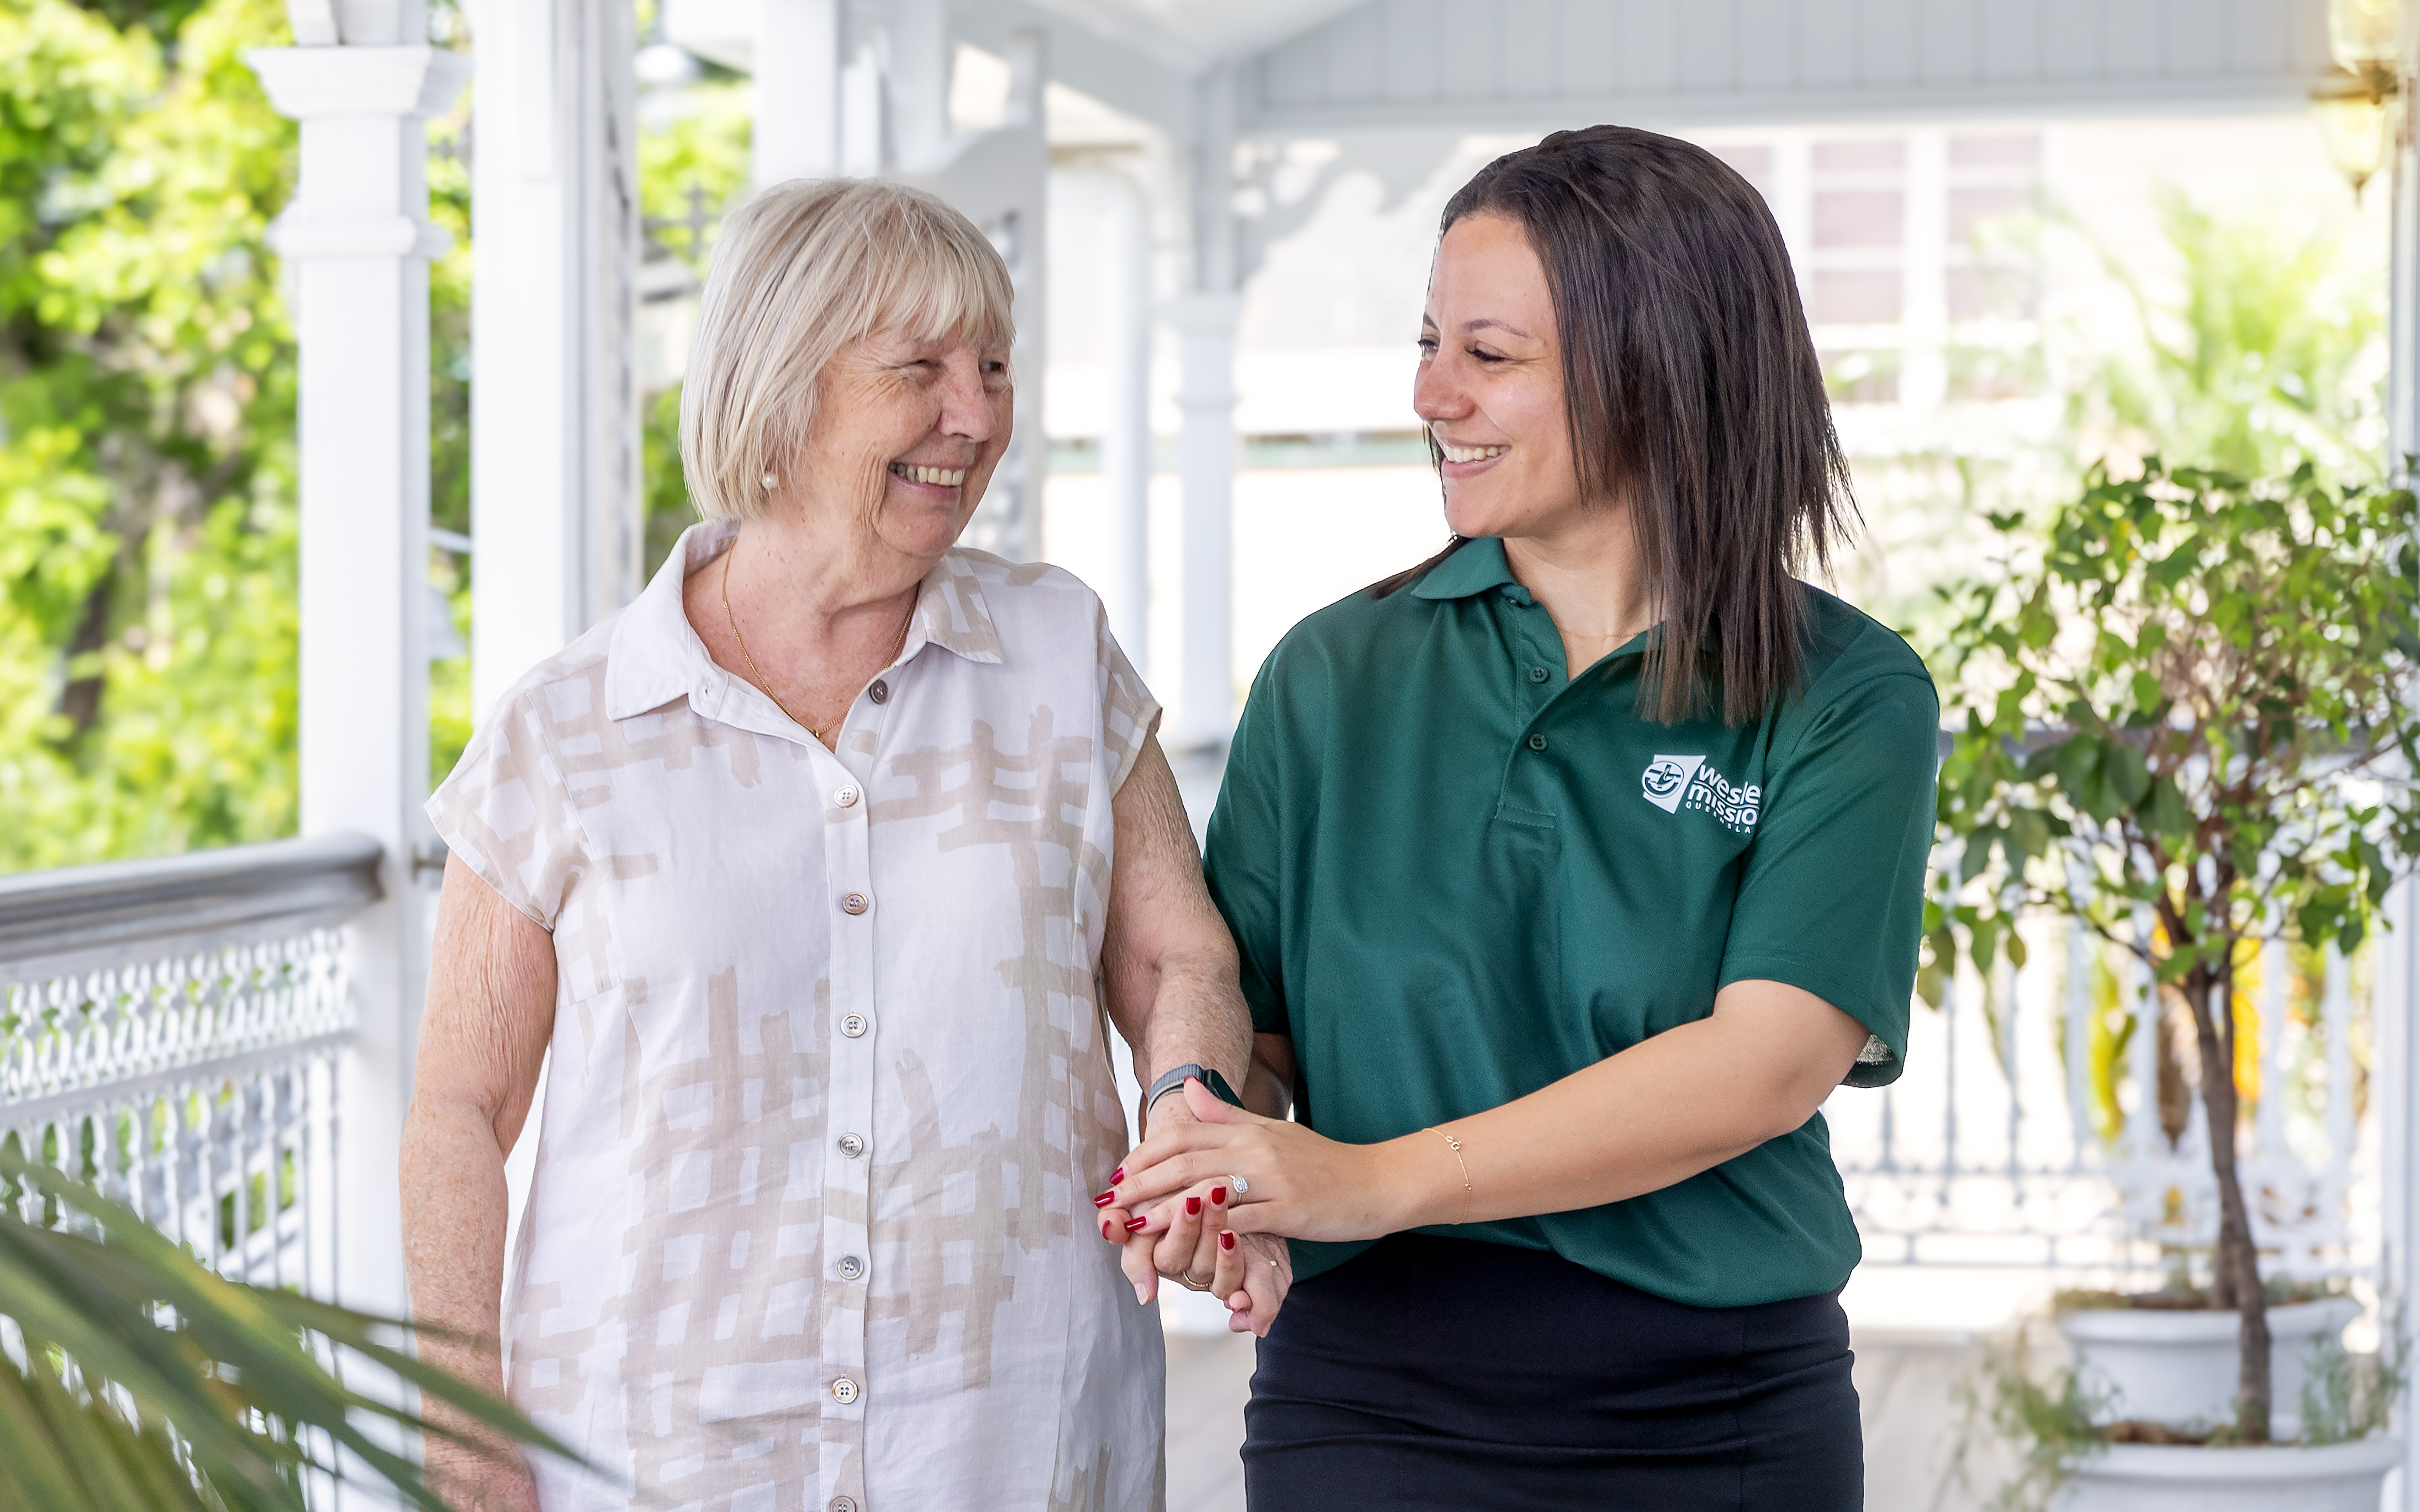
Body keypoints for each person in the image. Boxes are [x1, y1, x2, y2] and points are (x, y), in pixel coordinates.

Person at [1099, 125, 1939, 1509]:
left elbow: (1762, 1065)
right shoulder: (1332, 675)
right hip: (1369, 1405)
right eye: (1430, 344)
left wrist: (1362, 1180)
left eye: (1488, 358)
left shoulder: (1842, 695)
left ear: (1662, 370)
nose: (1432, 393)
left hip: (1719, 1413)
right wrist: (1212, 1171)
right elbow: (1250, 1029)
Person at [401, 177, 1261, 1512]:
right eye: (918, 369)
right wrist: (464, 1449)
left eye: (992, 368)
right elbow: (460, 1111)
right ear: (781, 385)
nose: (973, 418)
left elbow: (1173, 960)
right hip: (656, 1446)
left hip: (1010, 1434)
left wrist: (1185, 1114)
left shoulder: (1056, 651)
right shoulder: (567, 730)